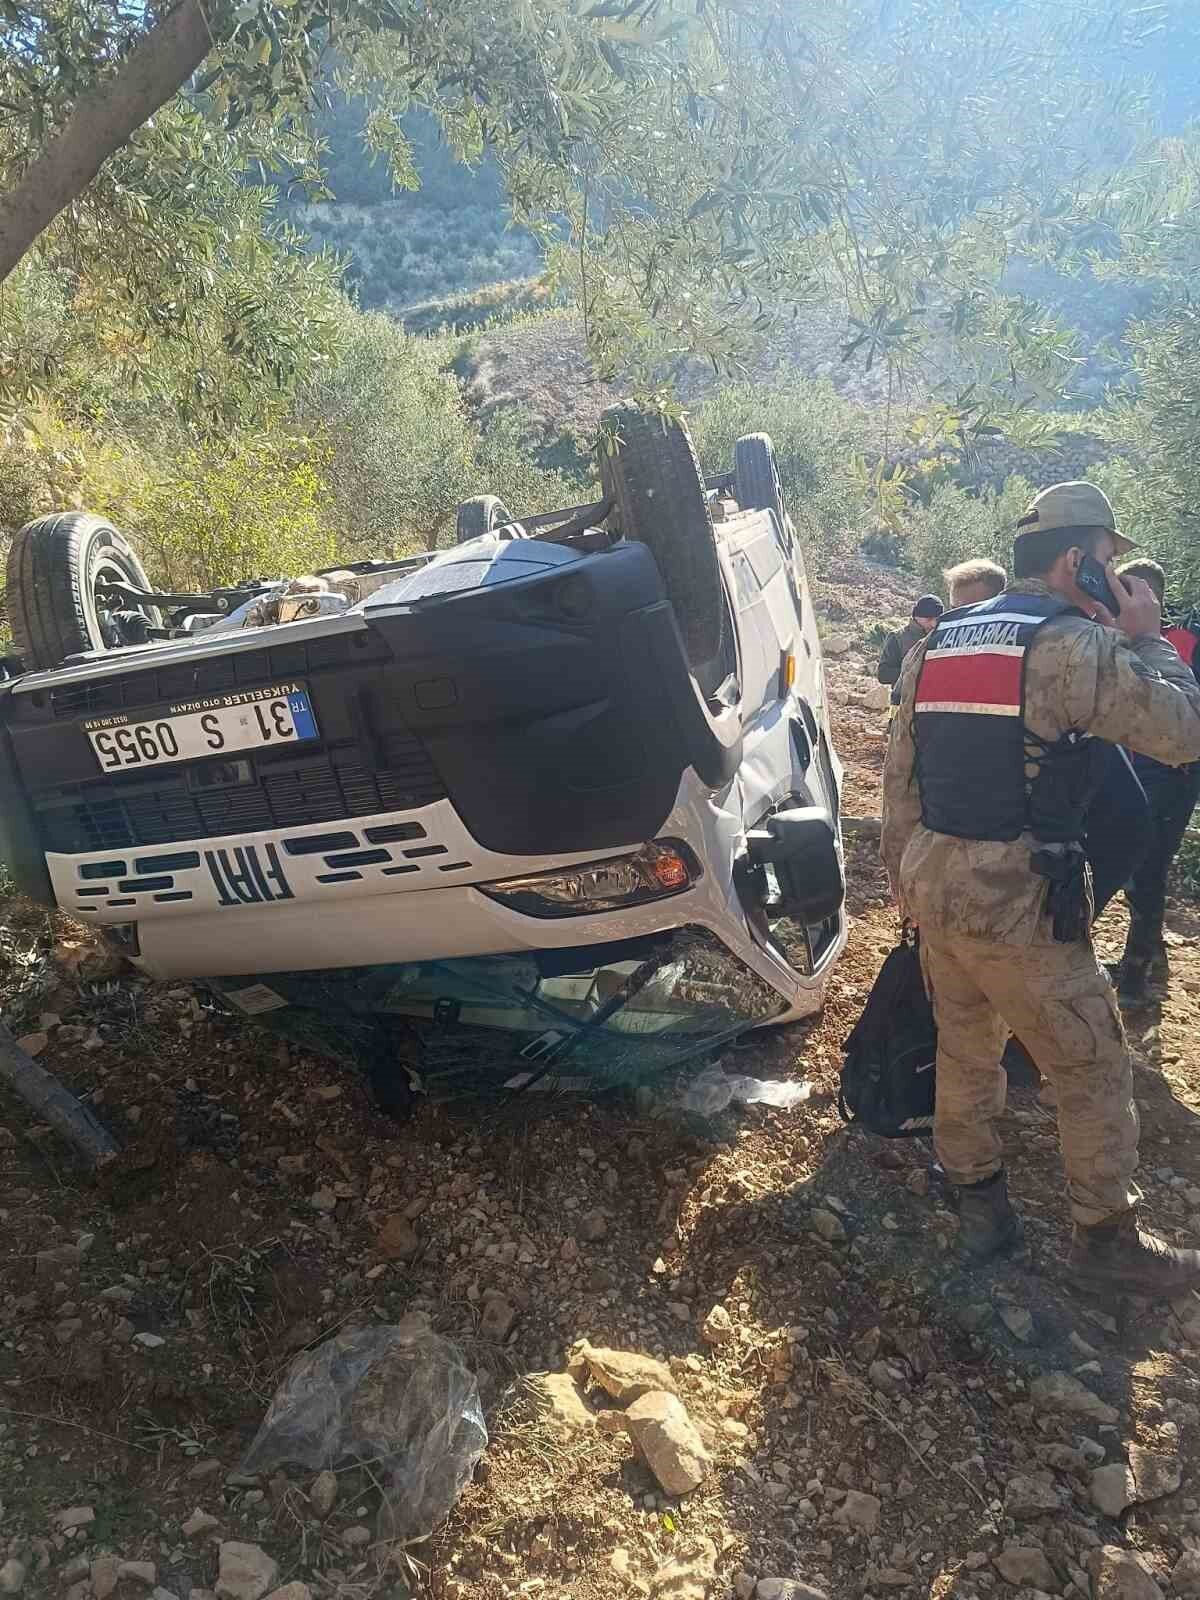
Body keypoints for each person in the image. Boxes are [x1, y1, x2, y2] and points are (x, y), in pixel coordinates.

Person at [881, 481, 1200, 1297]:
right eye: (1108, 562)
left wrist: (906, 883)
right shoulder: (1074, 646)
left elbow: (899, 781)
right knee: (1093, 1064)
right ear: (1077, 560)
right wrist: (1148, 637)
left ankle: (980, 1211)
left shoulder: (938, 640)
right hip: (1015, 900)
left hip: (937, 884)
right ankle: (1105, 1240)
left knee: (966, 1047)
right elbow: (1181, 735)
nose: (1114, 577)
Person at [1109, 558, 1200, 1008]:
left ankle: (1135, 976)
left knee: (1147, 871)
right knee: (1137, 869)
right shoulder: (1117, 639)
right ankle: (1151, 956)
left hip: (1171, 774)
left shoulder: (1185, 643)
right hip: (1131, 769)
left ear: (1151, 597)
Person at [877, 596, 944, 703]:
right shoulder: (898, 637)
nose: (933, 624)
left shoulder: (942, 636)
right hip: (905, 702)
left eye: (936, 619)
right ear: (916, 616)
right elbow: (883, 674)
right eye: (929, 619)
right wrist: (915, 673)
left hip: (934, 702)